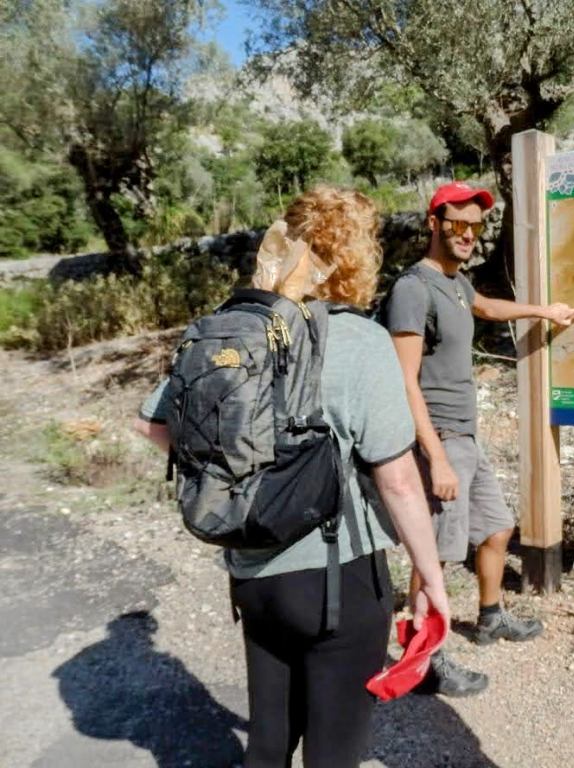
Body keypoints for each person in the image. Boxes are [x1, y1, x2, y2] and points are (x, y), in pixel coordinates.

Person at [133, 186, 450, 768]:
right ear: (359, 258)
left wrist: (244, 472)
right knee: (334, 752)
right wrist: (431, 579)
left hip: (253, 571)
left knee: (269, 741)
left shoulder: (232, 328)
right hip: (338, 578)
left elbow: (153, 424)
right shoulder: (360, 340)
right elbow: (398, 479)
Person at [382, 181, 574, 697]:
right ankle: (424, 659)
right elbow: (404, 379)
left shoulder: (457, 283)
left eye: (477, 226)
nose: (469, 234)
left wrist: (545, 312)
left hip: (467, 437)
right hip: (441, 440)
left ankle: (490, 615)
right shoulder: (412, 289)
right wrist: (437, 458)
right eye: (458, 224)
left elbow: (487, 307)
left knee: (496, 528)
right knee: (438, 555)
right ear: (434, 223)